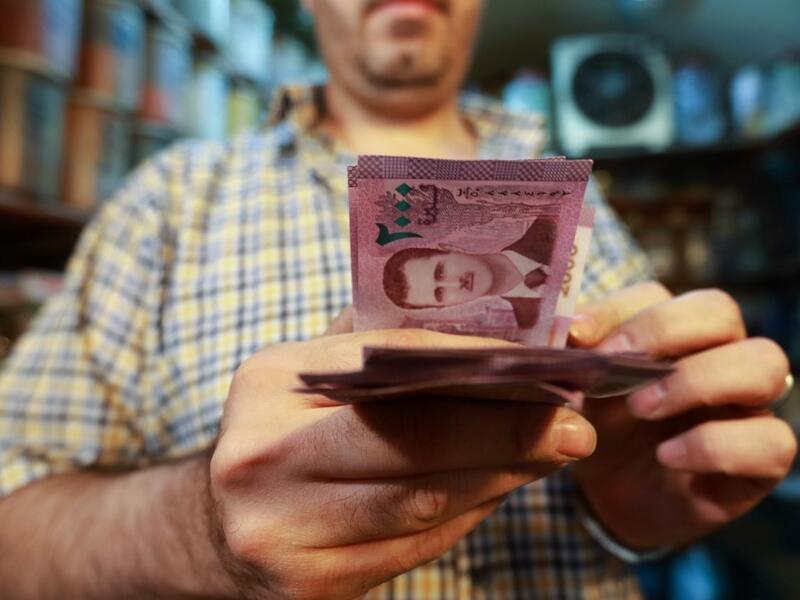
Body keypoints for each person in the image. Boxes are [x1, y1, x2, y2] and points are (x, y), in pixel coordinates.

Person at [0, 1, 794, 598]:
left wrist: (630, 510)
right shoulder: (168, 202)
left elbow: (636, 492)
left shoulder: (592, 212)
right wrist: (201, 528)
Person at [383, 216, 556, 328]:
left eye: (441, 272)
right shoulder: (532, 325)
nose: (456, 283)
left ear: (449, 248)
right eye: (440, 293)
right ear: (445, 307)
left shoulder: (550, 226)